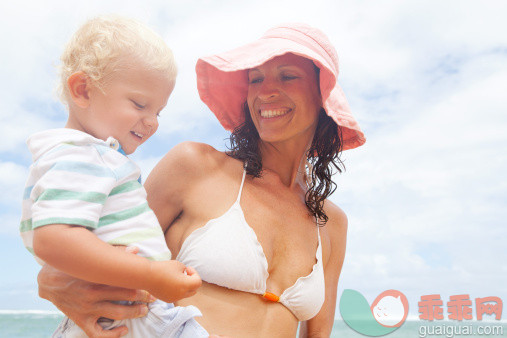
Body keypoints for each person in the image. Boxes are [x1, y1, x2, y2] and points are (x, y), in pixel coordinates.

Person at [37, 23, 366, 337]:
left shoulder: (331, 224)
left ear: (321, 95)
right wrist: (51, 281)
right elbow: (96, 246)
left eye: (287, 76)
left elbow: (318, 333)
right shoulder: (194, 167)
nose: (265, 92)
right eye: (255, 79)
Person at [20, 16, 210, 337]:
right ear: (83, 90)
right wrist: (150, 274)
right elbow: (53, 239)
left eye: (158, 111)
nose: (152, 122)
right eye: (139, 104)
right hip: (130, 318)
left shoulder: (87, 156)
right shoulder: (82, 155)